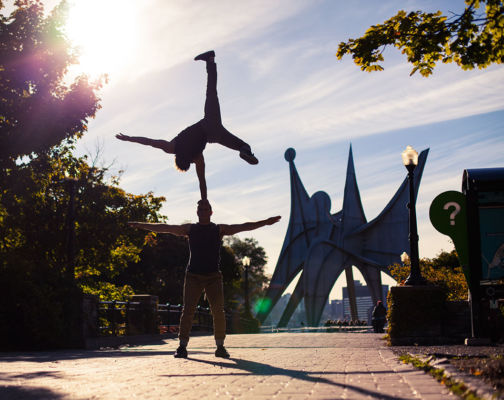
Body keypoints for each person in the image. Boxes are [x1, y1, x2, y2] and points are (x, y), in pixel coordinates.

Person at [128, 199, 281, 358]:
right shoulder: (190, 229)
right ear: (197, 212)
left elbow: (243, 226)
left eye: (206, 208)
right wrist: (141, 225)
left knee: (218, 311)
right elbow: (165, 228)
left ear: (211, 212)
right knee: (188, 311)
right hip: (193, 276)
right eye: (200, 209)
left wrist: (265, 222)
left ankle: (220, 346)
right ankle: (182, 347)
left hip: (213, 277)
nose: (203, 211)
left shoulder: (219, 229)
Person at [116, 50, 258, 200]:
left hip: (216, 136)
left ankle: (245, 151)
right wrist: (129, 138)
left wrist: (204, 200)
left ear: (188, 161)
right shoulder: (171, 147)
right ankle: (210, 59)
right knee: (211, 92)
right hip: (210, 123)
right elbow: (150, 142)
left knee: (243, 145)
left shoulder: (197, 158)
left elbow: (202, 182)